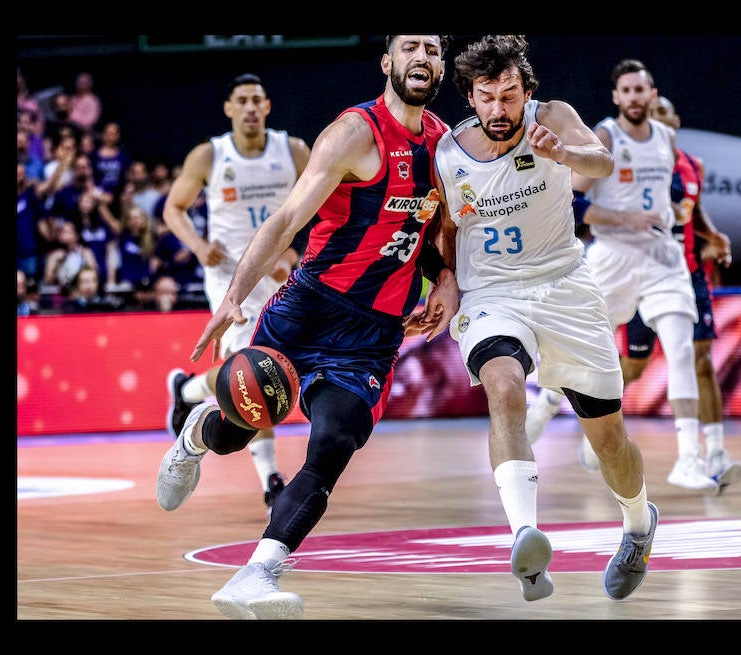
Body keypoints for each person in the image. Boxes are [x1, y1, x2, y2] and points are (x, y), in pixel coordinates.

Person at [155, 35, 457, 620]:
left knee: (333, 446)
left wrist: (445, 282)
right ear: (387, 62)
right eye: (410, 46)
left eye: (432, 48)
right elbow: (288, 218)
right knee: (237, 431)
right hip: (309, 307)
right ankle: (196, 435)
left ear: (441, 65)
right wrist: (233, 297)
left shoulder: (445, 146)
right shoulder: (354, 133)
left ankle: (255, 575)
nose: (422, 57)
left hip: (373, 334)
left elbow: (443, 235)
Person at [435, 34, 658, 603]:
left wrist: (562, 152)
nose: (498, 109)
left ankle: (637, 523)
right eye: (486, 97)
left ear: (525, 91)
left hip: (565, 289)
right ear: (469, 97)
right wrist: (446, 278)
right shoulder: (445, 152)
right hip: (493, 294)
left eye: (509, 96)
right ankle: (525, 537)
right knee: (503, 385)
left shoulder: (552, 116)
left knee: (608, 439)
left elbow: (601, 160)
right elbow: (447, 229)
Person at [529, 95, 741, 490]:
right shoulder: (617, 145)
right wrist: (623, 218)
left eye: (663, 111)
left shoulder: (689, 165)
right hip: (622, 264)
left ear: (673, 120)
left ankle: (706, 453)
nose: (656, 117)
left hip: (678, 269)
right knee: (620, 363)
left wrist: (712, 235)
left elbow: (691, 211)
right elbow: (577, 201)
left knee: (695, 357)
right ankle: (559, 407)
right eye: (652, 111)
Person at [160, 73, 313, 515]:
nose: (249, 107)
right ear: (229, 108)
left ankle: (187, 390)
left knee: (270, 370)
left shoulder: (294, 151)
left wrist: (295, 250)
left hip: (282, 273)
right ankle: (271, 482)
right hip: (231, 279)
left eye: (256, 100)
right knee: (255, 369)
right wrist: (198, 246)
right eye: (241, 100)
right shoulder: (210, 154)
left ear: (268, 107)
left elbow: (326, 204)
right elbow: (174, 208)